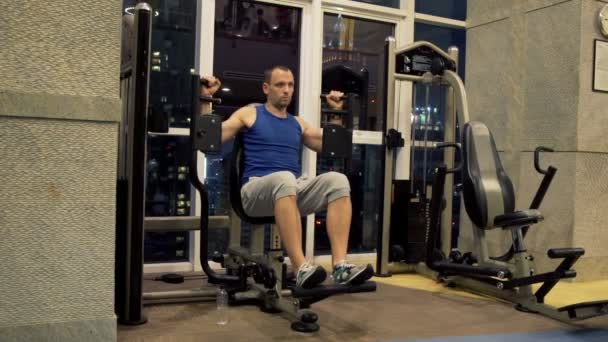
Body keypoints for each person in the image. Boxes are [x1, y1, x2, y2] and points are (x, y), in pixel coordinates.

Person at [200, 66, 373, 289]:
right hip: (254, 194)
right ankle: (301, 267)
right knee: (285, 178)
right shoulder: (250, 113)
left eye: (290, 85)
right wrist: (205, 98)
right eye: (280, 85)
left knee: (338, 181)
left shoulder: (297, 123)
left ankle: (340, 266)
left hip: (288, 191)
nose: (286, 90)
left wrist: (335, 113)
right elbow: (210, 138)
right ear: (266, 88)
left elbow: (331, 146)